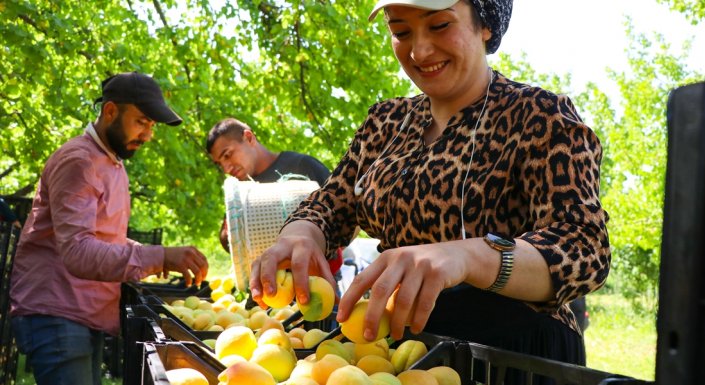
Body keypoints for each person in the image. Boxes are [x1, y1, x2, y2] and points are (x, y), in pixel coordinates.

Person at [253, 0, 611, 377]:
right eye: (401, 31)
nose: (418, 50)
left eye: (439, 25)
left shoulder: (540, 115)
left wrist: (469, 258)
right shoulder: (386, 122)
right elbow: (329, 205)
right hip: (400, 354)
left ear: (485, 24)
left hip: (510, 359)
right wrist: (301, 234)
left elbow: (584, 249)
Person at [9, 71, 209, 385]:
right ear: (111, 111)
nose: (147, 135)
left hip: (84, 314)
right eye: (141, 121)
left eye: (151, 126)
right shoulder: (79, 161)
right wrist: (160, 256)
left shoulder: (111, 163)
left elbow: (105, 240)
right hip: (57, 314)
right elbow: (77, 251)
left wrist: (156, 259)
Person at [206, 117, 331, 252]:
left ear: (249, 138)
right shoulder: (241, 193)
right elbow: (231, 243)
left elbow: (345, 214)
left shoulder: (302, 165)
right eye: (219, 164)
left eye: (228, 155)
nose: (226, 169)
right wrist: (228, 234)